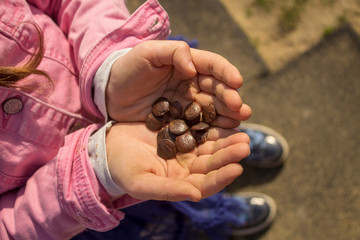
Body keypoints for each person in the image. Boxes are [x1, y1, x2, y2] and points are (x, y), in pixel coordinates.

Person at [0, 0, 288, 239]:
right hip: (79, 194)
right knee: (168, 195)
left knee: (209, 123)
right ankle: (205, 216)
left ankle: (223, 133)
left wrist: (110, 66)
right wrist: (97, 172)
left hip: (129, 84)